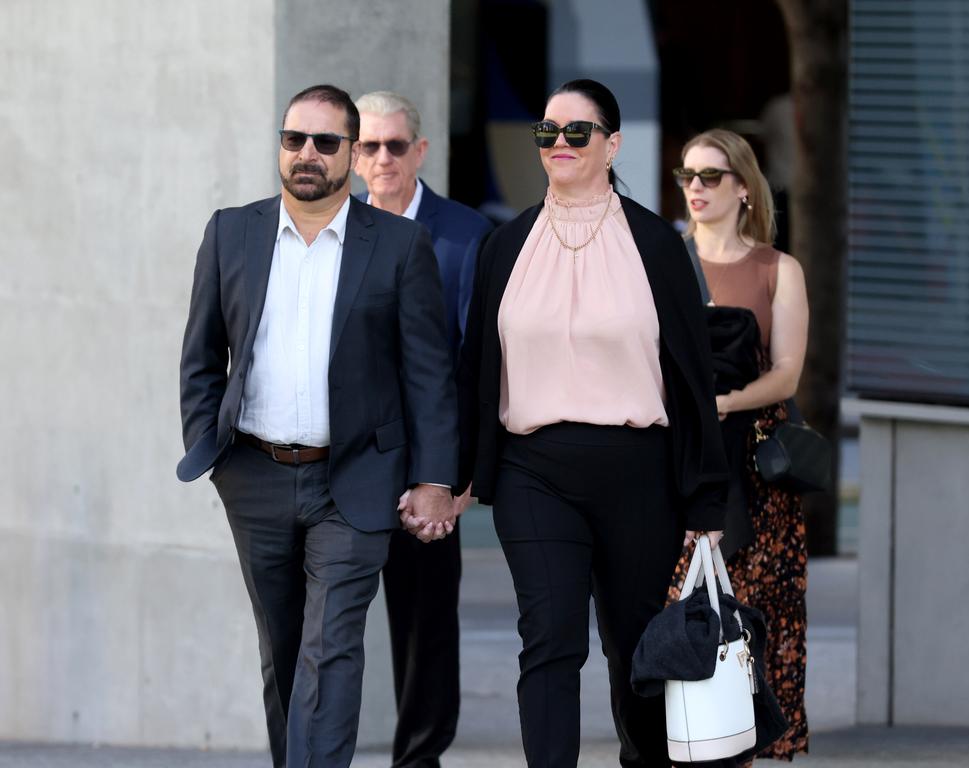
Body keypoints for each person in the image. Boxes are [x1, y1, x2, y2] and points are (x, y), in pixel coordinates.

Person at [445, 78, 730, 767]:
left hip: (640, 475)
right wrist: (451, 476)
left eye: (578, 132)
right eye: (549, 132)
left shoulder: (658, 244)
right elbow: (477, 368)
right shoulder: (504, 246)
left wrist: (706, 495)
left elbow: (693, 377)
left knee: (637, 646)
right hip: (532, 471)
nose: (561, 144)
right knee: (550, 638)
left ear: (613, 145)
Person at [177, 84, 458, 768]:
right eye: (294, 138)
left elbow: (429, 373)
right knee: (283, 653)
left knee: (329, 649)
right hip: (254, 476)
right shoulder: (231, 231)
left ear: (351, 154)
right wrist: (209, 450)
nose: (307, 154)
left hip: (355, 483)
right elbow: (201, 354)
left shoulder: (398, 244)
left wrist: (433, 479)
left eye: (327, 142)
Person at [353, 90, 492, 768]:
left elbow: (477, 366)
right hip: (343, 470)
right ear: (353, 156)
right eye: (370, 146)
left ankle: (420, 761)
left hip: (425, 476)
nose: (383, 158)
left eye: (396, 145)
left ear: (422, 151)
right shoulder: (329, 233)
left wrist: (455, 476)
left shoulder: (467, 237)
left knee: (425, 632)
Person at [667, 128, 810, 763]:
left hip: (754, 472)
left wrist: (719, 403)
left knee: (753, 620)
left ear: (745, 189)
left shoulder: (779, 269)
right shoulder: (662, 260)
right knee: (679, 616)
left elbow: (786, 375)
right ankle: (683, 738)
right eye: (686, 176)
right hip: (673, 464)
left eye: (710, 176)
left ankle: (742, 745)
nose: (694, 187)